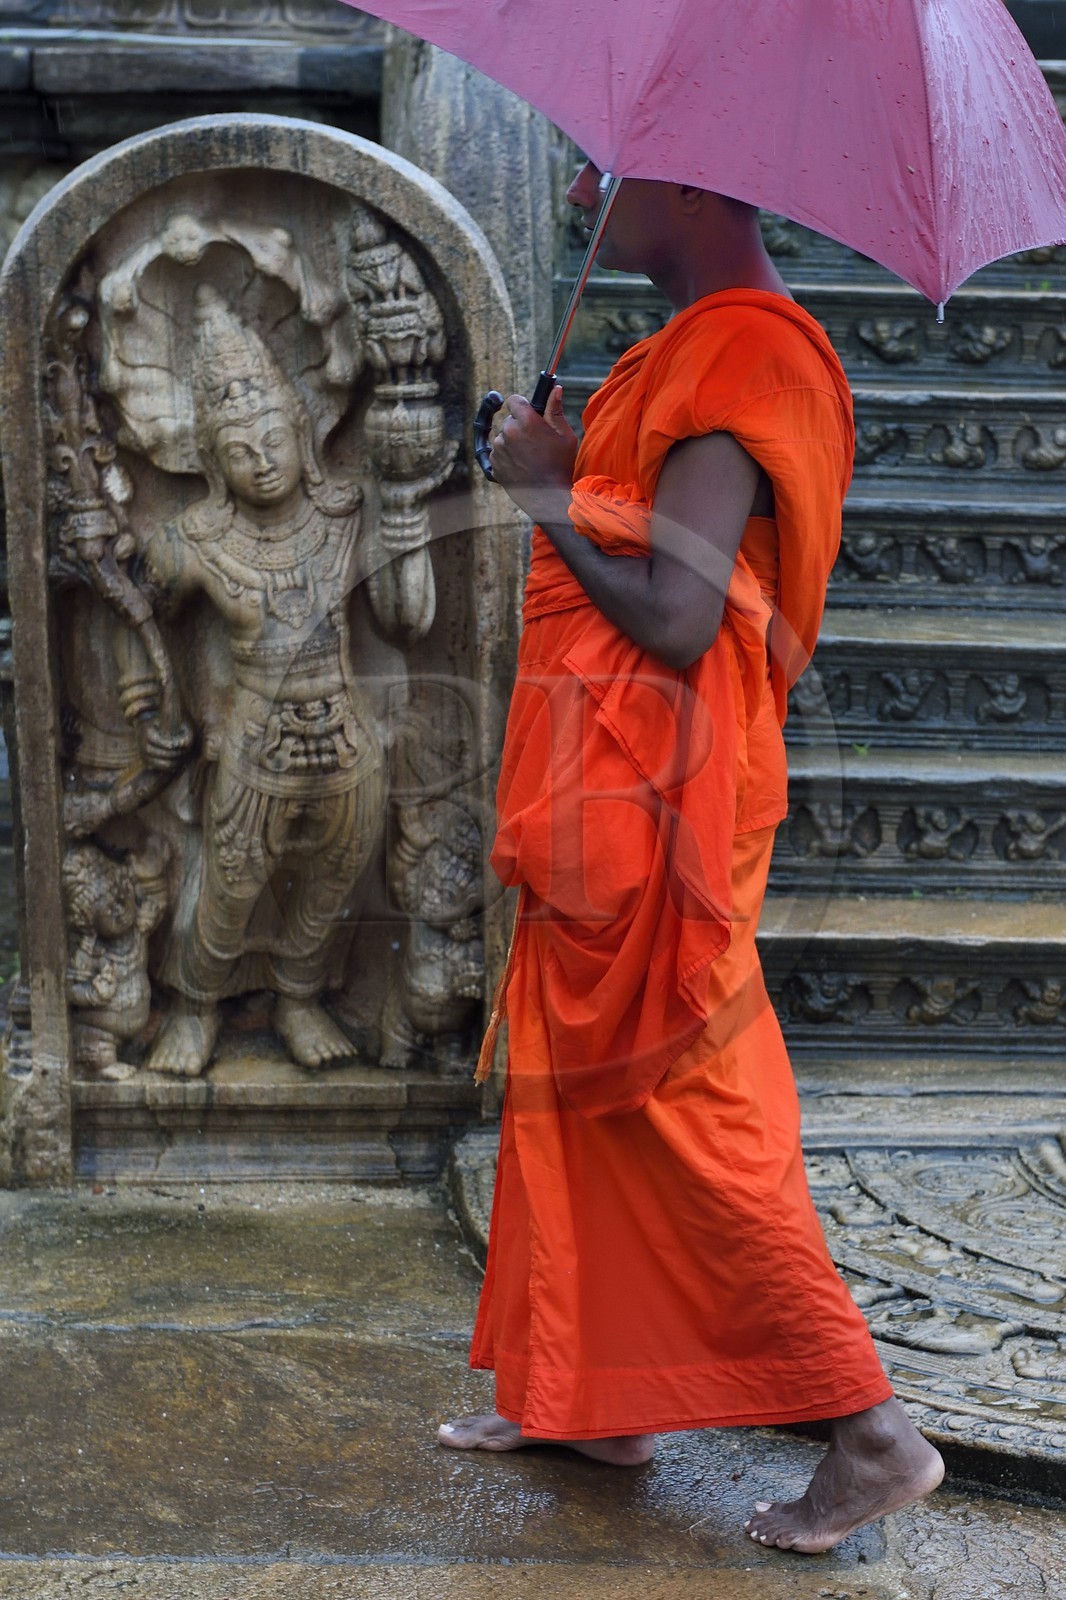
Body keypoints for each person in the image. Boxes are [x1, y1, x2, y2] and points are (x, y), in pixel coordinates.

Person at [438, 163, 944, 1554]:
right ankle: (586, 1393)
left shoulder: (745, 359)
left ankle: (869, 1435)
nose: (589, 184)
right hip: (604, 778)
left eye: (615, 172)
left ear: (697, 187)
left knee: (680, 1098)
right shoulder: (677, 354)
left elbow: (672, 617)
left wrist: (546, 497)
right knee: (576, 1077)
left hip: (664, 794)